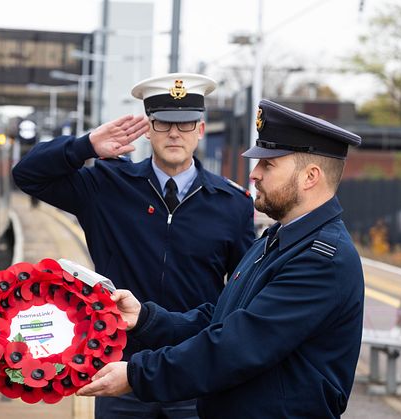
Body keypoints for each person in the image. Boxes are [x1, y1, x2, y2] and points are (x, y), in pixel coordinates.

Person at [77, 99, 365, 419]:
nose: (253, 174)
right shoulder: (276, 241)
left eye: (268, 165)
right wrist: (145, 318)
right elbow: (222, 319)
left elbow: (238, 345)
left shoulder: (320, 260)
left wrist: (136, 374)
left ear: (310, 176)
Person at [12, 73, 255, 418]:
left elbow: (246, 288)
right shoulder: (107, 185)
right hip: (119, 370)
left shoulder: (232, 204)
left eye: (186, 124)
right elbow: (28, 174)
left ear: (200, 130)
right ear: (148, 129)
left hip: (194, 372)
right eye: (163, 123)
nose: (174, 133)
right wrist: (86, 146)